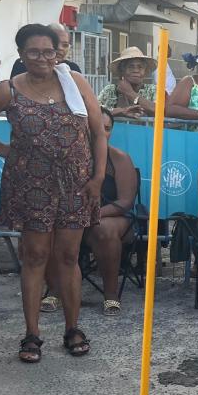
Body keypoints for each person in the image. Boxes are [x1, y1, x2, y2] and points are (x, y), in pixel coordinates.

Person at [0, 23, 107, 363]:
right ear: (21, 54)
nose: (43, 58)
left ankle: (73, 328)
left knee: (68, 256)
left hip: (76, 183)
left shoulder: (74, 82)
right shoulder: (9, 90)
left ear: (57, 53)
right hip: (30, 184)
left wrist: (98, 178)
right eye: (34, 52)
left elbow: (98, 133)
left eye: (49, 51)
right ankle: (32, 334)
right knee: (34, 256)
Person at [83, 111, 139, 316]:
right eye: (96, 127)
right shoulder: (70, 157)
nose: (102, 133)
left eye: (107, 129)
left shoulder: (119, 158)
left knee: (103, 229)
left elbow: (125, 202)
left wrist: (93, 214)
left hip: (113, 217)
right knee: (51, 226)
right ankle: (54, 290)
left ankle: (111, 294)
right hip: (74, 216)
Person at [98, 47, 158, 119]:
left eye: (140, 67)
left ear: (144, 71)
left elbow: (159, 110)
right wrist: (122, 111)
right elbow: (96, 110)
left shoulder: (152, 90)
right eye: (131, 67)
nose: (136, 70)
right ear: (122, 70)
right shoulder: (110, 90)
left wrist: (130, 93)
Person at [10, 23, 81, 77]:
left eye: (65, 45)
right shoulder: (23, 65)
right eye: (56, 43)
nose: (60, 48)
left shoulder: (73, 69)